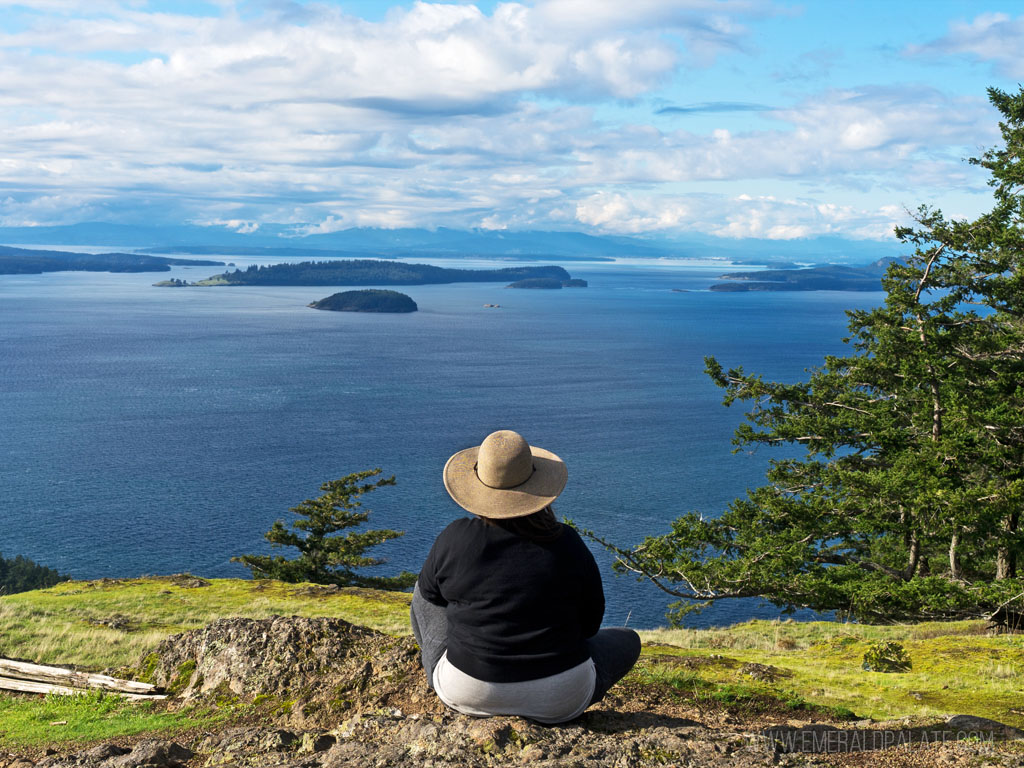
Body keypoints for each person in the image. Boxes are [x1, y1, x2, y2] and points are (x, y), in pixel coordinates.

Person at [410, 429, 641, 724]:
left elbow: (429, 597)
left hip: (467, 692)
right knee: (628, 640)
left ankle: (442, 667)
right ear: (538, 484)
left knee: (423, 592)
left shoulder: (456, 538)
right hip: (561, 697)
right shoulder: (568, 543)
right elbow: (590, 625)